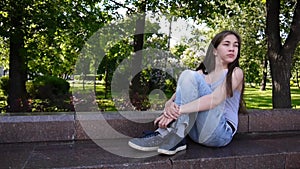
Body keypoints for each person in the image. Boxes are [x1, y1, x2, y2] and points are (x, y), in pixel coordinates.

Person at [128, 30, 246, 155]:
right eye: (226, 44)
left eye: (236, 45)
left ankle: (165, 133)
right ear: (214, 50)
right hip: (195, 133)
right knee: (188, 74)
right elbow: (180, 95)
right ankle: (177, 136)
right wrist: (168, 105)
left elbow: (215, 100)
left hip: (219, 133)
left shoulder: (236, 73)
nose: (232, 49)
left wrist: (176, 112)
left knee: (190, 75)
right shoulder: (201, 74)